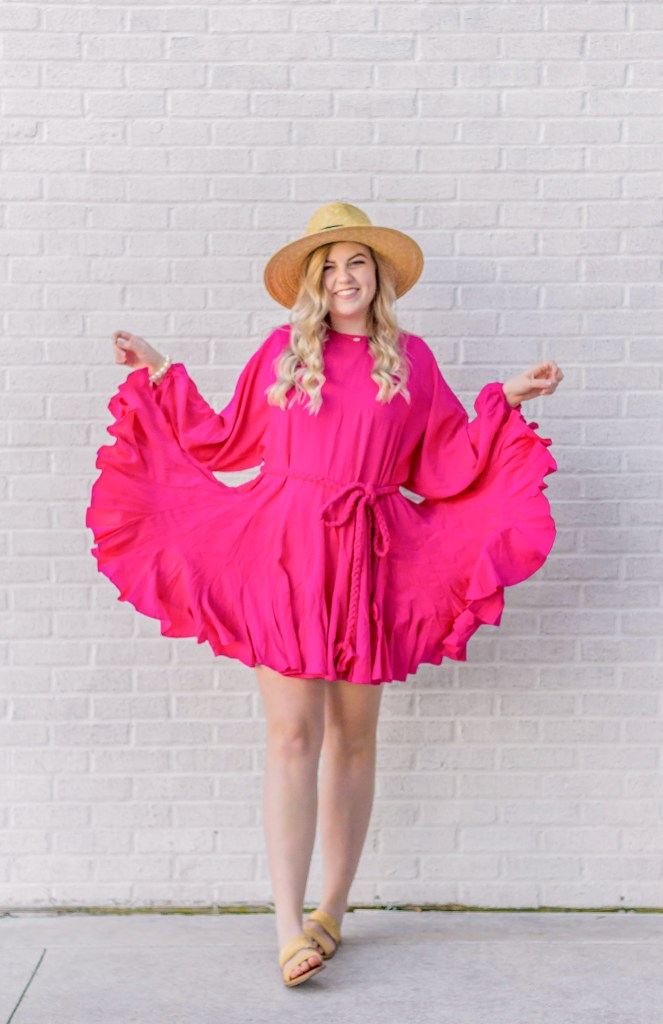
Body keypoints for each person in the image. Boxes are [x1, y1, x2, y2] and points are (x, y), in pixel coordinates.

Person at [86, 201, 563, 988]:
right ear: (314, 281)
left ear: (377, 276)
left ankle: (330, 912)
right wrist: (160, 370)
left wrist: (503, 399)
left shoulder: (411, 361)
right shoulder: (283, 351)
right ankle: (286, 925)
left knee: (354, 737)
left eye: (357, 263)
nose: (344, 278)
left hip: (369, 556)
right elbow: (222, 438)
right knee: (290, 735)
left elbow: (444, 462)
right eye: (330, 267)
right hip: (284, 550)